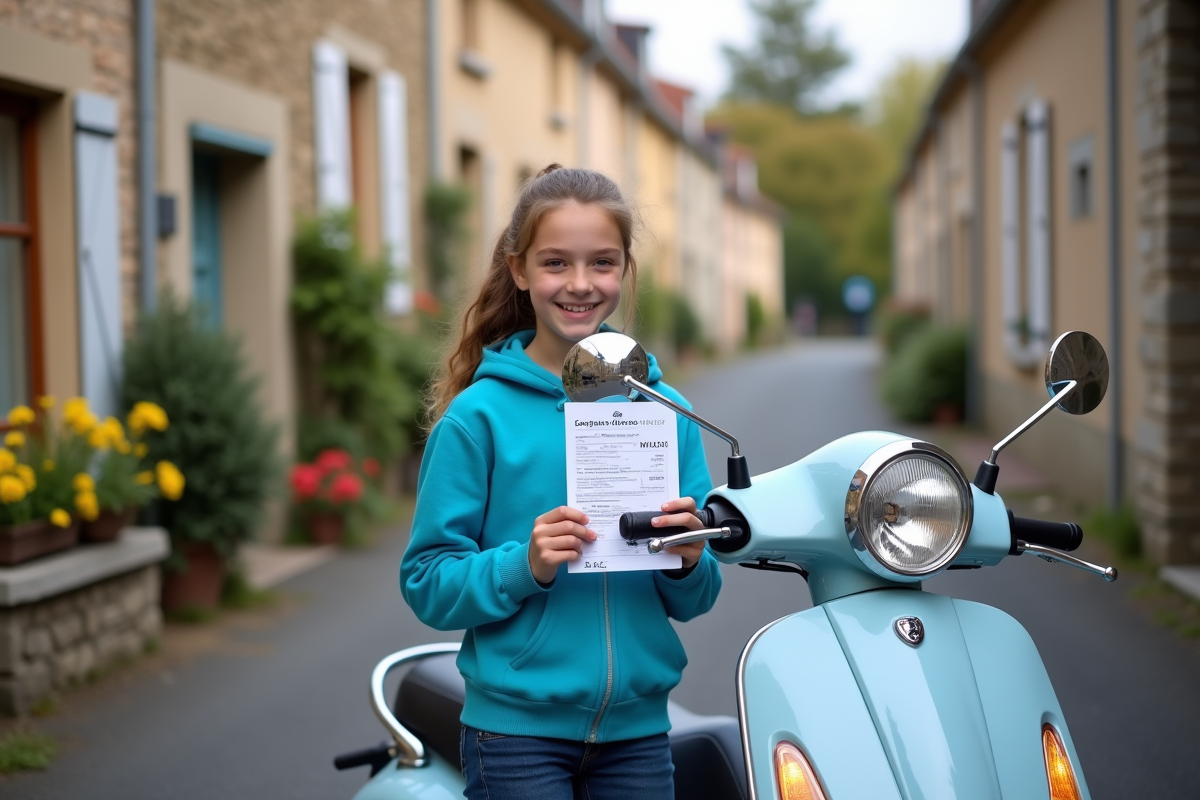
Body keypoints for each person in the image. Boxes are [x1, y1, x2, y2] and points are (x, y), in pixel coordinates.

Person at [400, 164, 721, 800]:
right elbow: (427, 581)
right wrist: (525, 564)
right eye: (555, 263)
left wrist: (689, 560)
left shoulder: (664, 411)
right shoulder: (478, 418)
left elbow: (698, 597)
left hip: (638, 735)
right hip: (515, 739)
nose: (580, 284)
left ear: (625, 271)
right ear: (519, 271)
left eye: (602, 263)